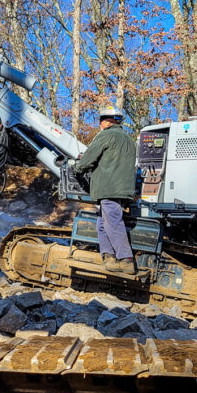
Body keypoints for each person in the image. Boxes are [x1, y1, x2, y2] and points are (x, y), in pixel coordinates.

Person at [73, 104, 137, 274]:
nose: (99, 124)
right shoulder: (128, 140)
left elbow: (88, 159)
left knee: (113, 222)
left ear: (108, 121)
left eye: (101, 120)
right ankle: (109, 257)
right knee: (102, 223)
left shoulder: (106, 135)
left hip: (109, 188)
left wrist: (77, 168)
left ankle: (126, 259)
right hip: (122, 189)